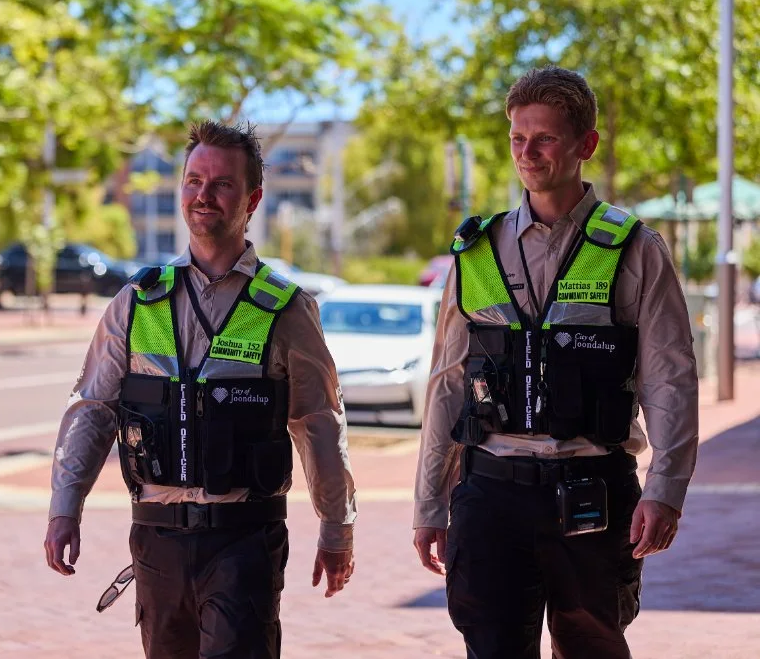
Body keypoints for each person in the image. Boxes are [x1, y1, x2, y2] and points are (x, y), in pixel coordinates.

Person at [412, 66, 699, 659]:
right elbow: (447, 387)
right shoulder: (477, 252)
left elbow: (669, 378)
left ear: (585, 146)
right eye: (518, 138)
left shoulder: (636, 249)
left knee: (591, 647)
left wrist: (666, 489)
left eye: (544, 138)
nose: (527, 152)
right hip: (490, 494)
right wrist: (429, 503)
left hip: (592, 493)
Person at [44, 120, 357, 659]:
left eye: (221, 184)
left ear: (252, 198)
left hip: (244, 537)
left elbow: (319, 423)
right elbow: (94, 409)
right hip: (156, 538)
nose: (202, 195)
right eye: (193, 180)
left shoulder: (286, 309)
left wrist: (336, 527)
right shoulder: (137, 302)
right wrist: (64, 505)